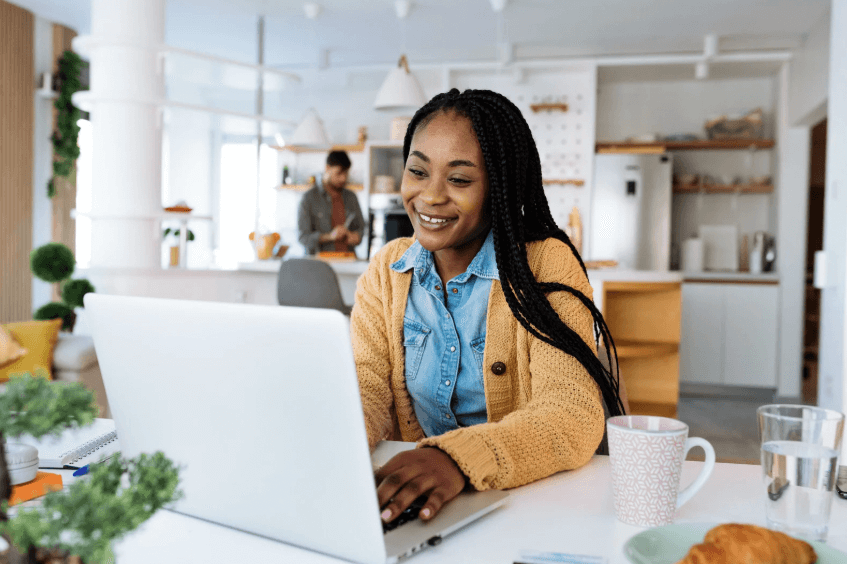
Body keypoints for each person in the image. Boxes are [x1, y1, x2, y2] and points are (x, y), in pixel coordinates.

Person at [350, 89, 626, 526]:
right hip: (422, 505)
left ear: (499, 187)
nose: (430, 196)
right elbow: (366, 388)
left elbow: (572, 413)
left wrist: (456, 460)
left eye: (459, 180)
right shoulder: (388, 269)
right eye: (418, 171)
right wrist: (333, 444)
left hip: (525, 504)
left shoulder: (545, 264)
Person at [297, 150, 365, 255]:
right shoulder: (308, 198)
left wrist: (355, 237)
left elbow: (360, 231)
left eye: (346, 173)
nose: (343, 178)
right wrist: (330, 236)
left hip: (348, 262)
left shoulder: (351, 197)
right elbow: (303, 238)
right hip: (319, 264)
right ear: (327, 168)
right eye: (339, 173)